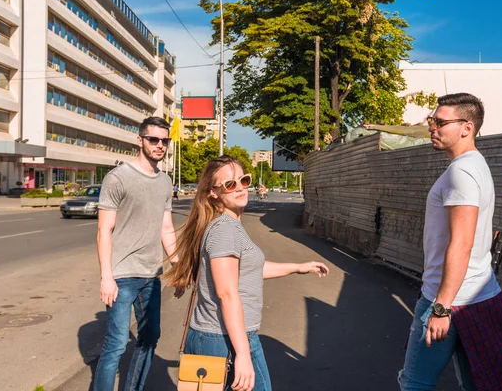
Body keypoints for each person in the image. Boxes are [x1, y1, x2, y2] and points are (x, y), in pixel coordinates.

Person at [398, 93, 502, 391]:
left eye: (440, 122)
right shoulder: (475, 165)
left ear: (466, 127)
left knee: (414, 382)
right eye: (432, 121)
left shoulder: (462, 171)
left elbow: (462, 242)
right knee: (478, 383)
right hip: (476, 295)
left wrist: (441, 308)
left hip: (447, 298)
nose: (433, 127)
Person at [164, 155, 329, 391]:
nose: (240, 188)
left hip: (222, 337)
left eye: (244, 180)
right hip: (223, 339)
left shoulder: (228, 225)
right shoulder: (224, 230)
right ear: (213, 192)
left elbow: (247, 271)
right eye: (230, 184)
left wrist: (298, 267)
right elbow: (227, 293)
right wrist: (242, 354)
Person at [94, 116, 180, 391]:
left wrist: (178, 266)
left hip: (151, 275)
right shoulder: (118, 177)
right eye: (153, 139)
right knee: (117, 344)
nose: (159, 145)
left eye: (164, 141)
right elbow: (104, 230)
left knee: (150, 338)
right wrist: (106, 277)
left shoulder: (165, 182)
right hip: (121, 276)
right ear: (139, 140)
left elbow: (166, 228)